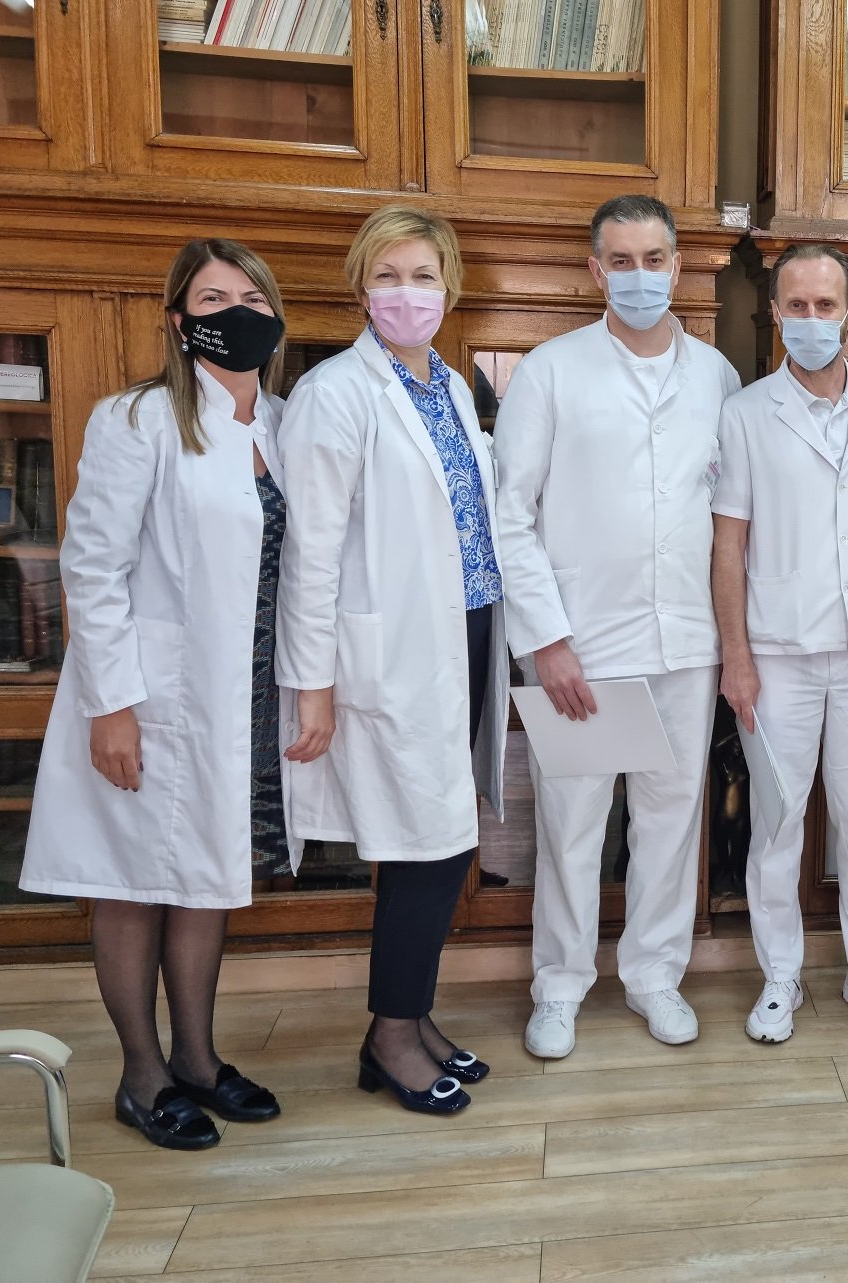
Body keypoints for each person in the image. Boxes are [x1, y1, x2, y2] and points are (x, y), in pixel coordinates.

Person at [20, 239, 293, 1149]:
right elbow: (92, 566)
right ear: (179, 322)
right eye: (212, 298)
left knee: (205, 876)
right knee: (134, 882)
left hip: (244, 691)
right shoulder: (136, 418)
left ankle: (199, 1061)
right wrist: (110, 706)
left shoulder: (284, 424)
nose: (235, 311)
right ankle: (142, 1076)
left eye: (251, 295)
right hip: (148, 693)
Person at [494, 194, 741, 1060]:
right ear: (596, 271)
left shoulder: (715, 376)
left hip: (686, 639)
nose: (641, 276)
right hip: (584, 643)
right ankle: (559, 986)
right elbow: (510, 513)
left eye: (654, 259)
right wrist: (546, 638)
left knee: (671, 818)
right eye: (622, 261)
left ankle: (653, 974)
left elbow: (732, 508)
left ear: (677, 265)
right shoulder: (550, 371)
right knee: (572, 823)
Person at [277, 205, 508, 1114]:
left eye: (422, 276)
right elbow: (310, 553)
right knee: (424, 846)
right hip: (395, 649)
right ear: (360, 288)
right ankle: (390, 1036)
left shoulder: (449, 386)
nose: (406, 293)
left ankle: (412, 1016)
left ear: (449, 287)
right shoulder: (337, 392)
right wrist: (313, 685)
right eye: (387, 276)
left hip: (468, 630)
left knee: (447, 841)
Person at [712, 243, 848, 1044]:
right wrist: (735, 657)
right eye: (794, 306)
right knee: (777, 819)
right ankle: (780, 976)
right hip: (777, 651)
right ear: (773, 314)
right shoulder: (745, 414)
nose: (809, 319)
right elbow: (728, 543)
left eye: (824, 305)